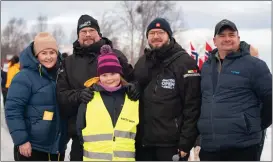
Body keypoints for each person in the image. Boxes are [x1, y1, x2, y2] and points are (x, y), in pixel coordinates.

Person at [56, 14, 137, 161]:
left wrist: (133, 89)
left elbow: (133, 80)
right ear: (78, 35)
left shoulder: (116, 56)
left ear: (99, 33)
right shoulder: (69, 63)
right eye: (83, 31)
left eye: (91, 30)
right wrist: (79, 95)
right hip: (81, 138)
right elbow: (61, 95)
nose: (87, 34)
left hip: (118, 141)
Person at [198, 19, 272, 161]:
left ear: (238, 38)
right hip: (209, 148)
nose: (227, 39)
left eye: (231, 35)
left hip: (243, 148)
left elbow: (270, 99)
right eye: (222, 35)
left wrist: (255, 124)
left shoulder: (255, 65)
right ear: (214, 40)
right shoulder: (206, 67)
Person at [133, 17, 201, 161]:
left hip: (172, 145)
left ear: (169, 35)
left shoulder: (184, 63)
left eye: (160, 32)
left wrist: (186, 142)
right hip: (143, 144)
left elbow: (193, 106)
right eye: (152, 33)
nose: (156, 36)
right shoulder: (142, 62)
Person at [5, 32, 68, 161]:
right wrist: (22, 140)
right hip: (32, 147)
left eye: (52, 52)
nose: (49, 57)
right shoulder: (24, 77)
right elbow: (13, 110)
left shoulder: (61, 75)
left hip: (56, 147)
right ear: (36, 55)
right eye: (44, 53)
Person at [76, 45, 139, 161]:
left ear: (120, 74)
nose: (109, 78)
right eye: (104, 75)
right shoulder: (90, 97)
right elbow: (80, 128)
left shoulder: (131, 98)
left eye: (113, 73)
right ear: (99, 77)